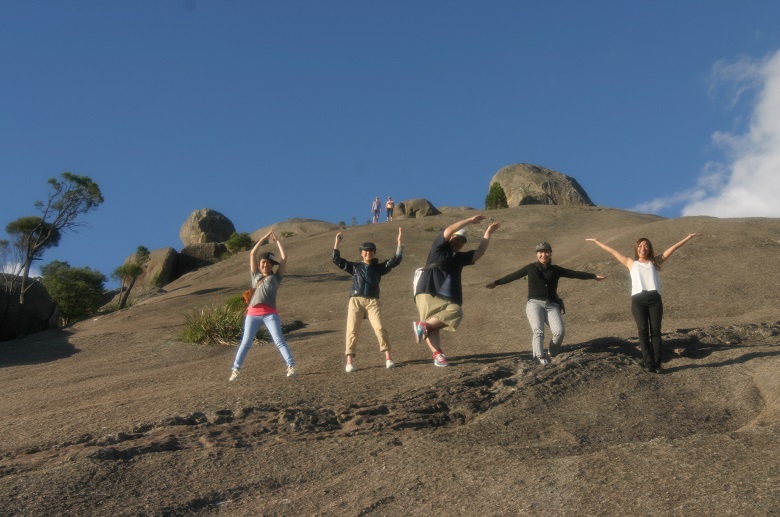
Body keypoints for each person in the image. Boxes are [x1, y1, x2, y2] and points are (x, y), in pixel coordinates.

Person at [586, 234, 699, 373]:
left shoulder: (655, 262)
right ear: (636, 249)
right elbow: (613, 252)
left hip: (654, 299)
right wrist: (598, 242)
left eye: (646, 246)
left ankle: (657, 363)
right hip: (638, 300)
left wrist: (688, 237)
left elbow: (673, 248)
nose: (642, 248)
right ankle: (648, 362)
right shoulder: (630, 263)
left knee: (656, 332)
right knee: (643, 331)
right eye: (640, 246)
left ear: (649, 249)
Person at [486, 242, 605, 365]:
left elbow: (573, 274)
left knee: (559, 332)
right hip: (534, 304)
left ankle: (552, 353)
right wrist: (496, 283)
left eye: (546, 252)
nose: (543, 254)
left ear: (550, 253)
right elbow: (513, 276)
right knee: (538, 331)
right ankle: (539, 356)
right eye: (540, 252)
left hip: (552, 305)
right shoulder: (530, 268)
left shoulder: (556, 270)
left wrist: (593, 276)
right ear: (537, 254)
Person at [413, 215, 500, 366]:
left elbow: (479, 252)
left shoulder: (460, 257)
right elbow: (448, 230)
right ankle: (438, 355)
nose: (459, 242)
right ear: (452, 237)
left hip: (448, 297)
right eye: (457, 238)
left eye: (462, 241)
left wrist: (488, 233)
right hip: (428, 289)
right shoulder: (438, 248)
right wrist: (469, 221)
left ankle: (423, 326)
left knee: (455, 312)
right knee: (433, 328)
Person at [332, 228, 403, 372]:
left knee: (380, 328)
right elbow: (337, 260)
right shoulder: (355, 267)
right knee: (352, 330)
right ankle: (349, 362)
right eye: (365, 251)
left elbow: (395, 260)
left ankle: (388, 358)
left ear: (374, 253)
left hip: (372, 301)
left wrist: (399, 244)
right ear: (361, 253)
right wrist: (337, 243)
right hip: (356, 300)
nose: (368, 253)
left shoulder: (378, 268)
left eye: (370, 251)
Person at [230, 229, 295, 381]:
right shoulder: (255, 276)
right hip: (252, 313)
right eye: (263, 262)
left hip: (270, 313)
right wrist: (264, 238)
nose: (266, 265)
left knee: (278, 340)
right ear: (259, 265)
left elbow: (284, 257)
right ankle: (235, 370)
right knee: (246, 343)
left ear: (272, 265)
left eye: (269, 263)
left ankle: (291, 366)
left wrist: (277, 241)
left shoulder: (276, 278)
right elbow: (252, 254)